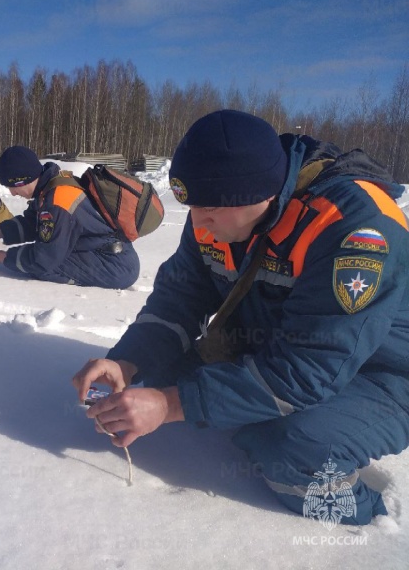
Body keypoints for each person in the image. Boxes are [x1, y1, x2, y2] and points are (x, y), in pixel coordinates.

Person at [72, 109, 409, 525]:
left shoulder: (357, 227)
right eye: (191, 206)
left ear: (260, 195)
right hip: (279, 348)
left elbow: (308, 371)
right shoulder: (217, 207)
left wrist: (169, 405)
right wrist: (127, 360)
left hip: (383, 375)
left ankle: (374, 522)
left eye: (209, 209)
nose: (198, 223)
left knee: (288, 451)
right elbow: (178, 300)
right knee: (158, 373)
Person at [0, 146, 140, 289]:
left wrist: (3, 257)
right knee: (41, 257)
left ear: (23, 179)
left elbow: (44, 259)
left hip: (114, 266)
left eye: (13, 187)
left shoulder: (57, 201)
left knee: (42, 267)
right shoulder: (51, 188)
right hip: (107, 255)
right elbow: (31, 223)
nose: (13, 193)